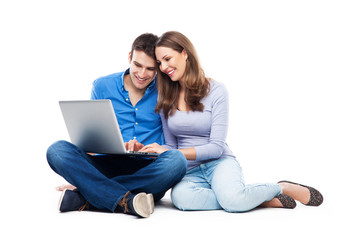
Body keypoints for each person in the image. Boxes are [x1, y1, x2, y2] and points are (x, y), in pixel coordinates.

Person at [139, 31, 323, 212]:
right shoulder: (165, 98)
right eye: (159, 63)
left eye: (167, 59)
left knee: (232, 200)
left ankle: (281, 187)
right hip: (189, 171)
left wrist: (175, 153)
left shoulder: (216, 91)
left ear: (185, 53)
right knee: (181, 200)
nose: (163, 67)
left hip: (219, 163)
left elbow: (216, 148)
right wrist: (155, 150)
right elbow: (172, 145)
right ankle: (253, 199)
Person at [46, 33, 188, 218]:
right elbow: (92, 139)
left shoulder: (167, 90)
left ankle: (89, 194)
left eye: (150, 69)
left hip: (147, 169)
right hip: (106, 164)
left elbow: (172, 142)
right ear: (130, 57)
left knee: (177, 161)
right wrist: (85, 166)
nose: (142, 74)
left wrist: (84, 181)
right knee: (56, 150)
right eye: (137, 65)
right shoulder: (102, 85)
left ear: (158, 69)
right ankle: (128, 200)